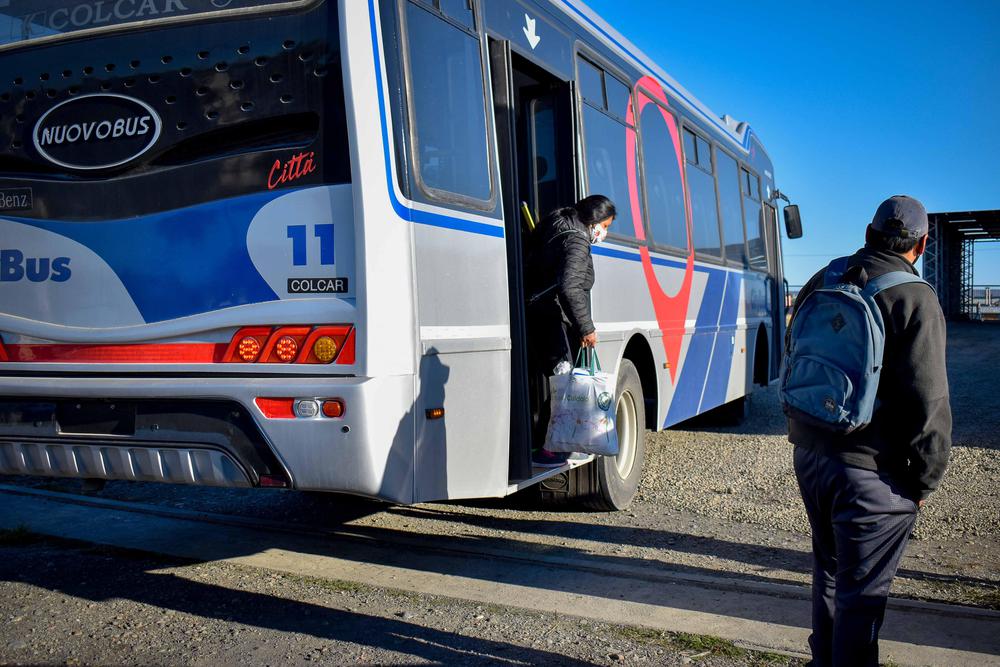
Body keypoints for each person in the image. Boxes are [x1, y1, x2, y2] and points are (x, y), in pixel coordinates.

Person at [788, 195, 952, 666]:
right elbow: (930, 402)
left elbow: (795, 354)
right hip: (872, 475)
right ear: (922, 244)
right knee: (862, 598)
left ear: (867, 233)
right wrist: (924, 480)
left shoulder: (825, 278)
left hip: (812, 456)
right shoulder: (916, 297)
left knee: (831, 574)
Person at [526, 194, 616, 467]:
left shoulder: (557, 221)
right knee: (564, 384)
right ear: (595, 221)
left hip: (538, 312)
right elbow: (570, 287)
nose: (605, 232)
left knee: (559, 381)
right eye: (607, 226)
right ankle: (552, 448)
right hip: (552, 317)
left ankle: (553, 444)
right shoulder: (577, 240)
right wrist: (586, 328)